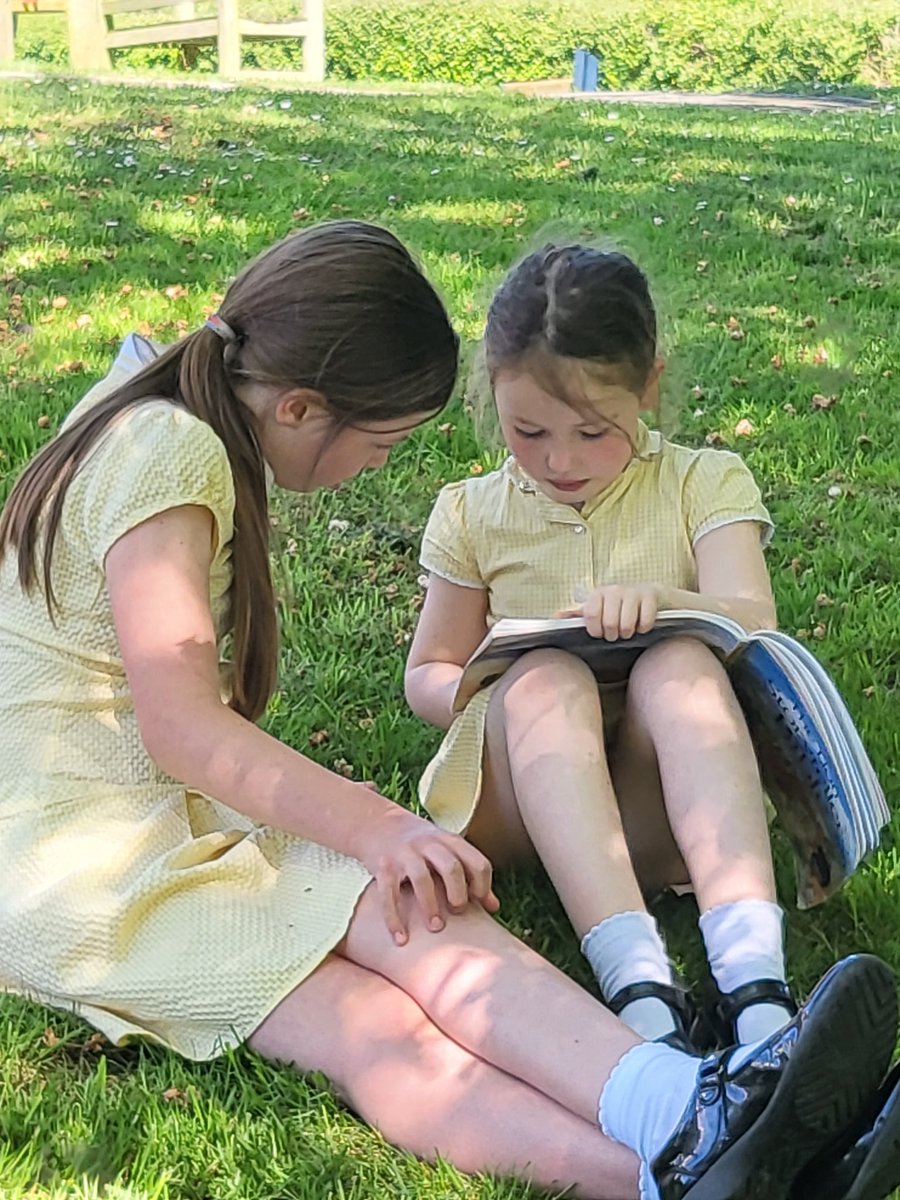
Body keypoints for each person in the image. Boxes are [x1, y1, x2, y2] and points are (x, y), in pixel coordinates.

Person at [0, 221, 896, 1200]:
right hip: (76, 870)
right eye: (379, 443)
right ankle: (678, 1165)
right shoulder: (170, 453)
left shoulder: (160, 412)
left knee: (417, 919)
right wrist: (380, 824)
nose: (378, 469)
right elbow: (181, 726)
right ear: (301, 407)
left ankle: (696, 1113)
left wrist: (375, 843)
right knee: (361, 1019)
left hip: (164, 829)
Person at [404, 242, 851, 1053]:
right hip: (519, 806)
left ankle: (756, 985)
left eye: (593, 430)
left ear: (649, 386)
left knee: (681, 664)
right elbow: (425, 675)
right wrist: (482, 676)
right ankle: (639, 987)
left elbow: (755, 620)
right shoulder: (470, 511)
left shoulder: (701, 482)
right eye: (528, 432)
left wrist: (668, 604)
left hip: (661, 801)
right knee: (545, 681)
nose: (560, 460)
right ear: (491, 397)